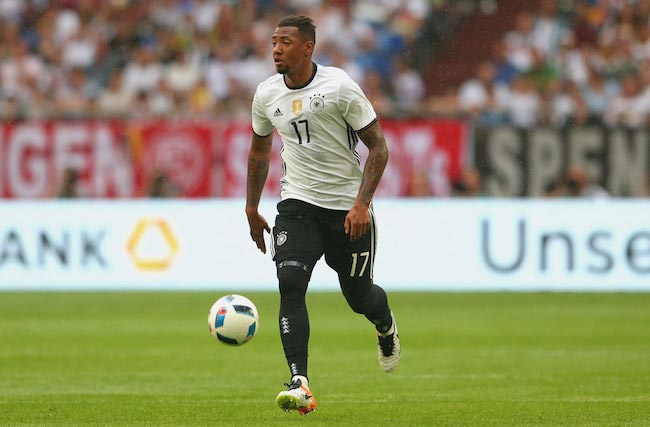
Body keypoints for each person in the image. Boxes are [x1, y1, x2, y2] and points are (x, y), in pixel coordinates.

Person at [245, 15, 400, 415]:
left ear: (308, 47)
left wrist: (362, 203)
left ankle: (385, 326)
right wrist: (250, 206)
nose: (276, 49)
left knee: (359, 296)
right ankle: (300, 382)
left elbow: (378, 148)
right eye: (273, 41)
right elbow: (260, 151)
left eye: (285, 42)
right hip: (297, 205)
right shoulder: (265, 94)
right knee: (290, 281)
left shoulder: (340, 88)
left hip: (347, 210)